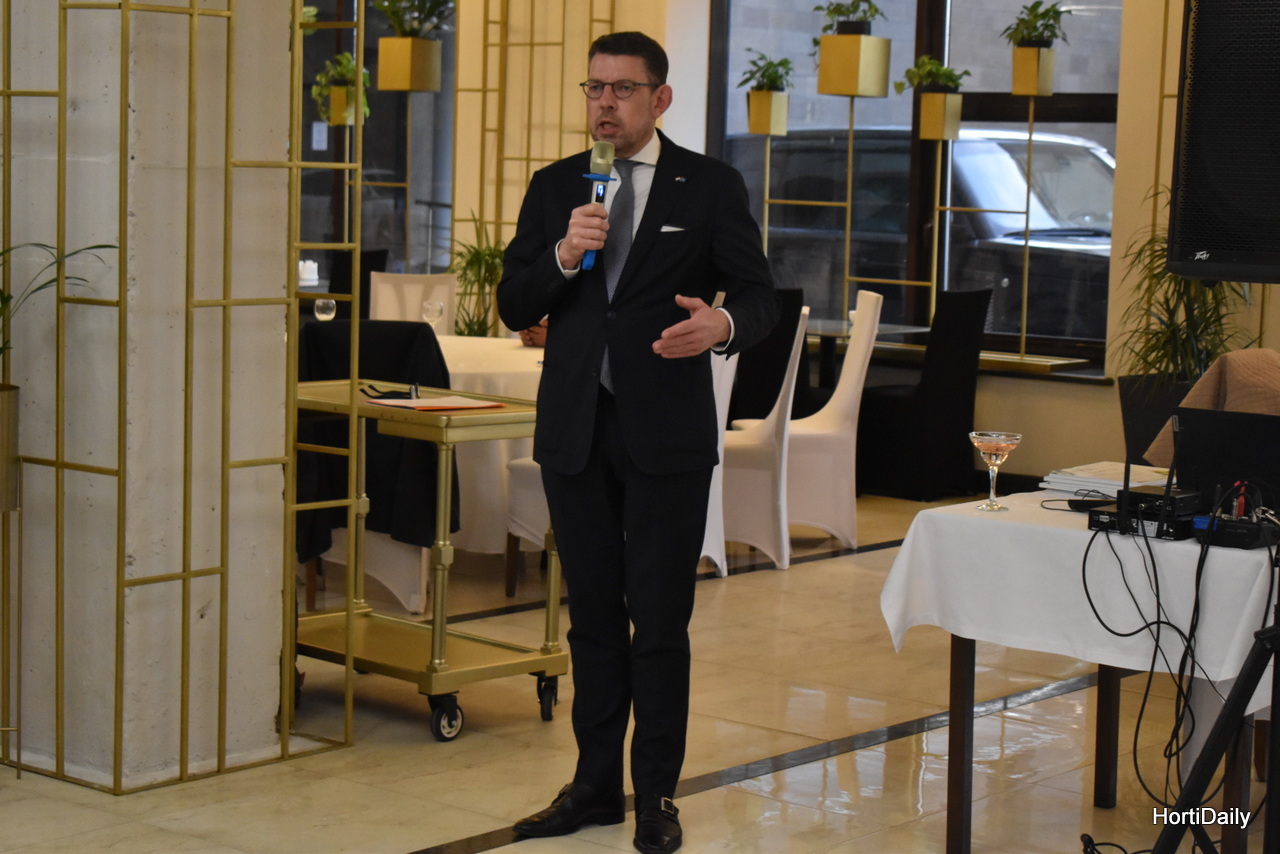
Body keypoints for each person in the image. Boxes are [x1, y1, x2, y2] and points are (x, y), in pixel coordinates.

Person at [497, 31, 778, 854]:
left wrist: (722, 325)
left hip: (666, 434)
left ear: (660, 98)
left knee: (657, 623)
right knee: (590, 620)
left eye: (622, 89)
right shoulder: (557, 186)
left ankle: (656, 794)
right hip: (576, 431)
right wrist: (563, 254)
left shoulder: (710, 185)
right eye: (594, 88)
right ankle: (592, 787)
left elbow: (760, 296)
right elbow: (514, 302)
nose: (605, 104)